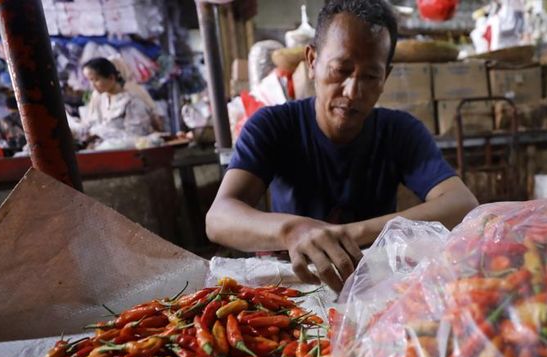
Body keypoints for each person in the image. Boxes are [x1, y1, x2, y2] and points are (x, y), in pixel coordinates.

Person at [206, 0, 479, 292]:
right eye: (340, 69)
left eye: (370, 76)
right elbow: (219, 217)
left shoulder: (400, 131)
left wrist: (349, 234)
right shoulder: (272, 125)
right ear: (312, 61)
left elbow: (462, 204)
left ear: (385, 77)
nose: (352, 91)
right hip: (294, 286)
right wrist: (293, 231)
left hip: (372, 284)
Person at [80, 58, 156, 143]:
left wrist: (100, 133)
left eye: (96, 80)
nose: (92, 85)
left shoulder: (132, 102)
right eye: (90, 80)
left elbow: (136, 137)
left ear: (111, 78)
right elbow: (90, 124)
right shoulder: (99, 99)